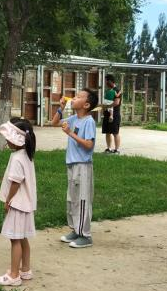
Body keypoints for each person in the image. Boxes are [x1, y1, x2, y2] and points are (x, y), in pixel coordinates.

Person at [51, 88, 98, 248]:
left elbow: (89, 145)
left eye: (78, 97)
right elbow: (54, 122)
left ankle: (85, 235)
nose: (74, 98)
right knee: (72, 199)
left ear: (86, 105)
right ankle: (76, 230)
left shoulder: (89, 122)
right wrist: (61, 108)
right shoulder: (73, 118)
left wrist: (70, 133)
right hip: (72, 164)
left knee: (82, 200)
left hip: (83, 166)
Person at [0, 118, 37, 287]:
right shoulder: (27, 155)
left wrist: (8, 200)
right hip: (26, 204)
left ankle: (14, 275)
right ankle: (25, 269)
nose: (7, 141)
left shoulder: (17, 158)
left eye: (8, 138)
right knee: (23, 237)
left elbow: (15, 182)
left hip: (17, 204)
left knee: (15, 239)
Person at [102, 74, 122, 154]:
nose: (105, 83)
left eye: (106, 81)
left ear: (110, 81)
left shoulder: (117, 90)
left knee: (115, 132)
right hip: (107, 114)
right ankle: (108, 148)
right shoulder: (108, 91)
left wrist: (107, 106)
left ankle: (116, 150)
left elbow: (116, 103)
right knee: (107, 132)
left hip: (115, 114)